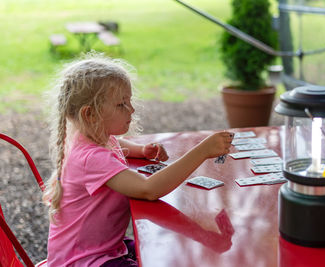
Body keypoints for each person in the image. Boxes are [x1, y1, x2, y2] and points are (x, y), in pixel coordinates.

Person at [42, 53, 233, 267]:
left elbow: (116, 145)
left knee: (160, 250)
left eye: (129, 101)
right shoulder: (90, 158)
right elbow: (148, 189)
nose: (131, 110)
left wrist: (141, 150)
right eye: (121, 104)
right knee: (162, 256)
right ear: (90, 115)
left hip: (103, 248)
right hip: (85, 261)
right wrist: (202, 151)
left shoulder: (91, 138)